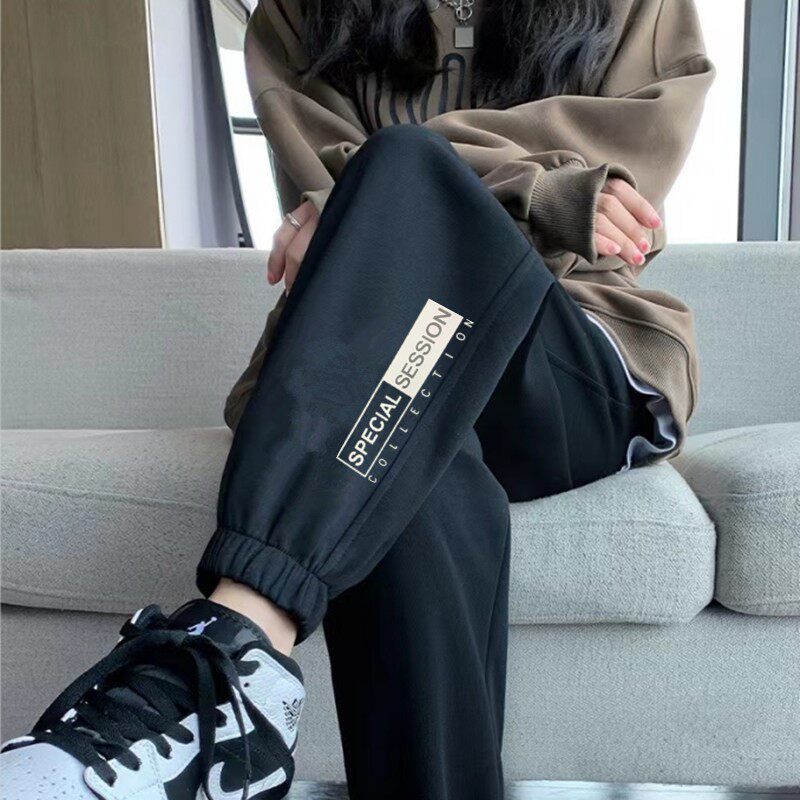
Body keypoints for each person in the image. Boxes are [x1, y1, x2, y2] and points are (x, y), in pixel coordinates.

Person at [1, 1, 714, 798]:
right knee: (402, 466)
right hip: (387, 361)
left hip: (572, 354)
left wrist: (414, 185)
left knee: (404, 165)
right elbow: (340, 196)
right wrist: (528, 184)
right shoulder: (303, 13)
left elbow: (626, 176)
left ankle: (235, 647)